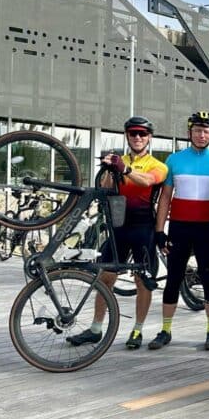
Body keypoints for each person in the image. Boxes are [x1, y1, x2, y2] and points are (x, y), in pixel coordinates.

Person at [66, 115, 168, 349]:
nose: (138, 137)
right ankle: (95, 329)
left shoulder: (158, 165)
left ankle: (137, 331)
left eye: (143, 134)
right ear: (127, 136)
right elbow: (104, 189)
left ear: (149, 138)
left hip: (144, 227)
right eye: (133, 133)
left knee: (142, 280)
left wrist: (126, 169)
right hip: (119, 226)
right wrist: (109, 170)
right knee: (105, 277)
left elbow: (146, 181)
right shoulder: (117, 160)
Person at [153, 111, 209, 351]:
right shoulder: (174, 160)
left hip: (206, 228)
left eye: (206, 131)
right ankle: (165, 330)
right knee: (174, 278)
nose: (201, 134)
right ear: (190, 133)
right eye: (197, 130)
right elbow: (165, 198)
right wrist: (160, 231)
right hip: (179, 227)